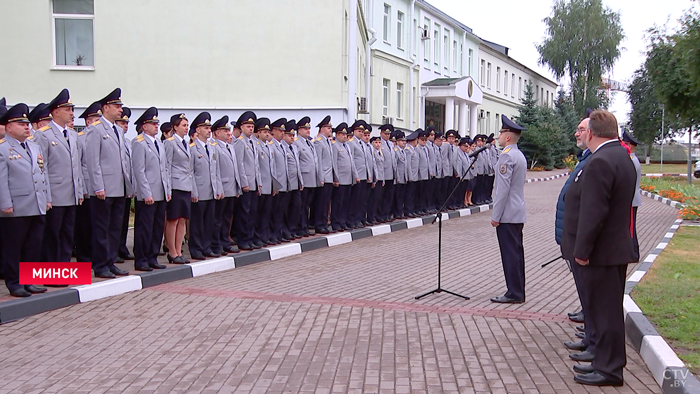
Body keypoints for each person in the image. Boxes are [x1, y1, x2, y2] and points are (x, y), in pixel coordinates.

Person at [562, 110, 636, 387]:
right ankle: (605, 363)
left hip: (600, 253)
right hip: (610, 250)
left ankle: (609, 369)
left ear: (591, 132)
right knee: (607, 312)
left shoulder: (602, 160)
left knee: (605, 314)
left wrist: (581, 251)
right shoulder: (619, 155)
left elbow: (594, 213)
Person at [0, 103, 51, 297]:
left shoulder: (33, 146)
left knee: (33, 245)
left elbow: (41, 174)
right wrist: (5, 203)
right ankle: (14, 283)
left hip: (36, 204)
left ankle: (29, 280)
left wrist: (46, 198)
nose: (26, 127)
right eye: (21, 124)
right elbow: (1, 180)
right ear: (9, 127)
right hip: (16, 207)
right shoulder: (3, 149)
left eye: (27, 123)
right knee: (14, 247)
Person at [556, 115, 596, 362]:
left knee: (590, 292)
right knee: (585, 292)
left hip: (582, 241)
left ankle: (593, 339)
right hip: (573, 237)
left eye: (581, 129)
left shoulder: (595, 161)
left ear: (592, 132)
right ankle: (590, 335)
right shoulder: (587, 158)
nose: (576, 134)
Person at [85, 88, 133, 278]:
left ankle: (111, 261)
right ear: (105, 108)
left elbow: (122, 161)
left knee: (115, 228)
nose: (120, 109)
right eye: (116, 106)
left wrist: (127, 186)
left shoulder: (118, 131)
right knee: (101, 228)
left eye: (120, 106)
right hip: (103, 188)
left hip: (118, 187)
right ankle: (100, 265)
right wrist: (98, 186)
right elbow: (93, 160)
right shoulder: (95, 130)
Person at [35, 89, 83, 270]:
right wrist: (45, 196)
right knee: (52, 234)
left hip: (70, 194)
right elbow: (41, 167)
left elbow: (75, 165)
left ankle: (63, 270)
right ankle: (50, 271)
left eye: (71, 109)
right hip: (54, 194)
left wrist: (78, 191)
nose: (71, 113)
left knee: (67, 234)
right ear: (55, 111)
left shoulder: (72, 135)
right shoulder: (44, 134)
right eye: (67, 109)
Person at [490, 115, 527, 304]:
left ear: (508, 136)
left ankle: (514, 292)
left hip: (507, 215)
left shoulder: (506, 156)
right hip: (517, 212)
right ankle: (518, 289)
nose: (499, 136)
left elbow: (502, 191)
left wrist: (496, 216)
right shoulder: (518, 155)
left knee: (510, 254)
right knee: (517, 253)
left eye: (502, 132)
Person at [131, 107, 170, 271]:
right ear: (144, 126)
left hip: (160, 192)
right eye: (153, 123)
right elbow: (139, 170)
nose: (156, 126)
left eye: (157, 123)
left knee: (156, 227)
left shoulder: (159, 143)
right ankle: (141, 259)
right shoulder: (139, 143)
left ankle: (152, 257)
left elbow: (164, 168)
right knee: (144, 228)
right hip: (147, 194)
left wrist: (167, 189)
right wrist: (146, 193)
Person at [188, 112, 223, 260]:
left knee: (209, 221)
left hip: (211, 190)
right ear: (197, 130)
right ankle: (196, 249)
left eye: (209, 127)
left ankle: (206, 247)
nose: (209, 130)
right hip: (199, 191)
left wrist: (219, 189)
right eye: (205, 127)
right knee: (197, 223)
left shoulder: (212, 148)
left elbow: (216, 171)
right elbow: (190, 172)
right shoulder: (192, 148)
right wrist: (193, 191)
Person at [163, 114, 194, 264]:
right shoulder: (170, 143)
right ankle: (172, 251)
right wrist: (167, 189)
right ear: (175, 127)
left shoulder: (186, 143)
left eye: (187, 125)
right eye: (183, 125)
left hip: (185, 185)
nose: (186, 128)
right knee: (173, 219)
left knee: (182, 219)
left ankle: (178, 250)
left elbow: (190, 168)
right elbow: (167, 167)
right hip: (175, 186)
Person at [74, 102, 101, 263]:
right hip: (85, 186)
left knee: (95, 224)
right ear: (88, 122)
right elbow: (79, 165)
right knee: (83, 225)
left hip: (98, 187)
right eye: (95, 119)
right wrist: (82, 188)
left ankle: (94, 254)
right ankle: (83, 256)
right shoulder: (80, 138)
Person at [211, 116, 242, 255]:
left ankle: (225, 241)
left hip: (231, 188)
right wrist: (218, 188)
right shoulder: (214, 147)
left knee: (227, 217)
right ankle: (216, 243)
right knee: (218, 219)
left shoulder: (230, 147)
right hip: (222, 188)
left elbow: (235, 168)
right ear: (217, 133)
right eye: (225, 130)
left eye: (229, 130)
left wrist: (237, 186)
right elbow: (215, 170)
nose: (229, 133)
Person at [232, 111, 260, 251]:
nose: (250, 129)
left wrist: (258, 182)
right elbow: (239, 164)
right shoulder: (240, 142)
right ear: (241, 127)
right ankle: (242, 239)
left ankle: (250, 238)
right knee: (244, 213)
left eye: (252, 126)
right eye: (248, 126)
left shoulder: (254, 142)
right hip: (246, 184)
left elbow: (256, 165)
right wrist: (244, 183)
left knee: (252, 213)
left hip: (254, 183)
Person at [294, 116, 322, 237]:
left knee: (307, 205)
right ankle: (300, 226)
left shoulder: (309, 143)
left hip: (312, 178)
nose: (308, 131)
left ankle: (305, 226)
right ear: (299, 130)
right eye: (305, 128)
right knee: (302, 205)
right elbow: (297, 162)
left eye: (309, 128)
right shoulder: (296, 143)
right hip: (304, 178)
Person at [115, 107, 135, 263]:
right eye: (122, 122)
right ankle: (113, 250)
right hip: (113, 186)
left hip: (125, 186)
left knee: (122, 221)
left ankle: (121, 246)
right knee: (113, 223)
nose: (125, 125)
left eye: (127, 123)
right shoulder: (113, 139)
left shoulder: (128, 142)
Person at [330, 123, 358, 231]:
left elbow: (351, 162)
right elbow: (334, 163)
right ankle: (335, 222)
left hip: (349, 179)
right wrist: (336, 178)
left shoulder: (346, 146)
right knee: (338, 203)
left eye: (346, 134)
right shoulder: (334, 145)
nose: (345, 136)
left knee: (346, 202)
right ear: (337, 134)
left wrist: (355, 176)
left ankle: (343, 221)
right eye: (342, 134)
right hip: (340, 180)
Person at [312, 116, 337, 234]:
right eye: (328, 127)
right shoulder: (318, 142)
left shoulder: (328, 142)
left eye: (331, 127)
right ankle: (319, 224)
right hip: (323, 177)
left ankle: (324, 223)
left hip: (329, 177)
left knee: (326, 203)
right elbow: (319, 161)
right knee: (321, 202)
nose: (330, 130)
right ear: (322, 129)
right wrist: (320, 177)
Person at [622, 130, 641, 262]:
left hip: (631, 200)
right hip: (633, 199)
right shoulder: (633, 159)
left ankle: (634, 254)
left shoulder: (631, 160)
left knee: (631, 229)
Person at [378, 124, 395, 222]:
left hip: (391, 174)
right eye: (385, 133)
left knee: (389, 196)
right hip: (383, 174)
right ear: (381, 133)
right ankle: (381, 215)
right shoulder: (379, 143)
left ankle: (387, 214)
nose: (387, 135)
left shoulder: (391, 144)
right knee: (382, 196)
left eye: (388, 134)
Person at [367, 136, 385, 225]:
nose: (378, 144)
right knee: (373, 200)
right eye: (375, 142)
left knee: (378, 199)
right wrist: (374, 179)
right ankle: (371, 217)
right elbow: (374, 167)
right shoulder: (372, 152)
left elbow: (382, 168)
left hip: (381, 178)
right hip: (376, 179)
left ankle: (376, 216)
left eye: (379, 142)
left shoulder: (380, 153)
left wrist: (383, 180)